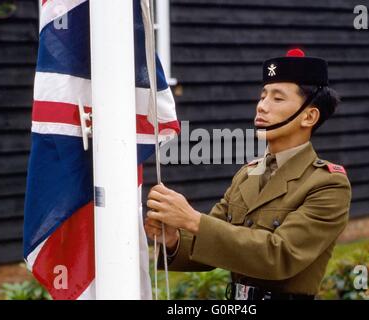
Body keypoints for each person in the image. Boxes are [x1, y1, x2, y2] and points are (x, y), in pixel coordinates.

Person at [145, 48, 352, 300]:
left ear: (309, 116)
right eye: (262, 96)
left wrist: (192, 220)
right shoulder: (248, 173)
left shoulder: (328, 184)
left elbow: (278, 256)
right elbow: (216, 241)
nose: (262, 107)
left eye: (277, 99)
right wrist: (173, 239)